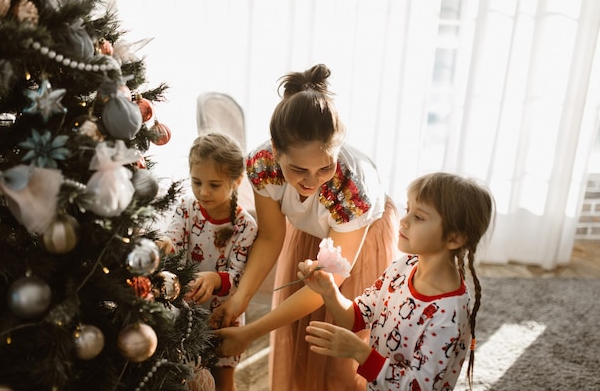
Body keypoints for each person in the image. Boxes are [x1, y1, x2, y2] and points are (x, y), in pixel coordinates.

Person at [213, 64, 400, 391]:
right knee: (297, 342)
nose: (311, 181)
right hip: (308, 233)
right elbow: (271, 237)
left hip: (358, 241)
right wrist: (240, 299)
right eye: (298, 169)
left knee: (340, 360)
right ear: (275, 151)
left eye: (324, 167)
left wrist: (249, 333)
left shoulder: (350, 191)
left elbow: (327, 283)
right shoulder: (261, 165)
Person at [298, 172, 495, 391]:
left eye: (418, 217)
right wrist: (330, 292)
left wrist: (360, 352)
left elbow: (419, 387)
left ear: (454, 239)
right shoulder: (403, 267)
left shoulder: (449, 314)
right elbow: (355, 317)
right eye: (408, 210)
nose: (403, 220)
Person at [160, 132, 258, 391]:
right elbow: (174, 237)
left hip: (222, 314)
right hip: (186, 310)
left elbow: (240, 276)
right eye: (196, 182)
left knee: (224, 380)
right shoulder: (186, 208)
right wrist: (165, 245)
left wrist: (215, 279)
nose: (203, 192)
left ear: (236, 181)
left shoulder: (246, 226)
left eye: (214, 185)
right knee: (186, 372)